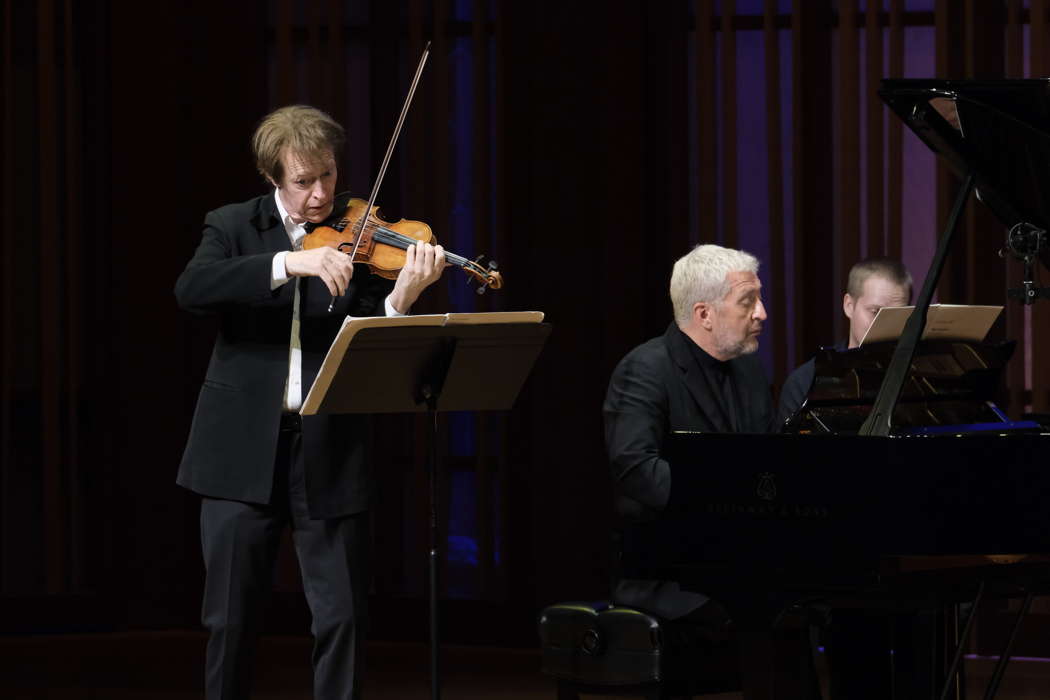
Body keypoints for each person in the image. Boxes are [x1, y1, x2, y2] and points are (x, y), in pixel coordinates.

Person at [174, 105, 447, 700]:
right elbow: (193, 289)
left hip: (329, 445)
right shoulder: (232, 225)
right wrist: (290, 261)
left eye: (327, 175)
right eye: (303, 181)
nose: (321, 194)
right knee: (230, 620)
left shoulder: (361, 228)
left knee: (343, 619)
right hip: (238, 451)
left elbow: (372, 338)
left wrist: (401, 298)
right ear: (272, 177)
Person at [603, 243, 772, 622]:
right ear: (704, 314)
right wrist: (728, 502)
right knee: (760, 612)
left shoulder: (750, 371)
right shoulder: (645, 369)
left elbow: (768, 459)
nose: (761, 313)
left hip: (736, 557)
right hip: (667, 569)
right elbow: (635, 470)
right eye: (748, 301)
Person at [776, 257, 912, 426]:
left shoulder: (917, 379)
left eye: (896, 315)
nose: (885, 325)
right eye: (875, 311)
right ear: (849, 305)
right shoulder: (804, 382)